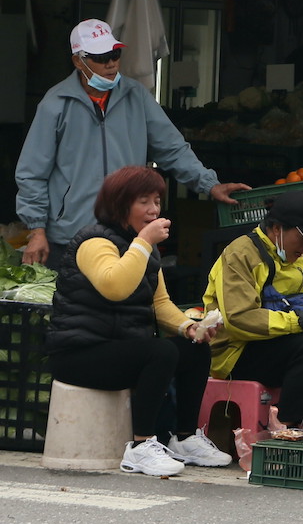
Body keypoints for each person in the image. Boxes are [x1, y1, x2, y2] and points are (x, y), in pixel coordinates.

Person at [15, 19, 250, 269]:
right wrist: (37, 230)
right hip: (71, 236)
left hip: (128, 233)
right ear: (78, 60)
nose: (111, 63)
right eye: (101, 56)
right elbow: (32, 173)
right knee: (75, 306)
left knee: (127, 304)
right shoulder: (55, 104)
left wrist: (210, 184)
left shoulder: (136, 96)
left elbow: (173, 149)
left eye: (115, 53)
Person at [47, 166, 231, 477]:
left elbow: (160, 303)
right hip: (79, 354)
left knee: (194, 348)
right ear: (120, 205)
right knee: (160, 352)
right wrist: (144, 241)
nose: (153, 209)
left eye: (157, 201)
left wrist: (190, 327)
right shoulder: (95, 242)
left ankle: (184, 438)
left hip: (121, 350)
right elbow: (115, 287)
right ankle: (141, 446)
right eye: (143, 201)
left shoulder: (145, 250)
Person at [203, 190, 303, 428]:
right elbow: (239, 319)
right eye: (302, 238)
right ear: (278, 229)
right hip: (236, 353)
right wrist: (299, 321)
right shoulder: (240, 254)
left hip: (289, 344)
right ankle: (287, 427)